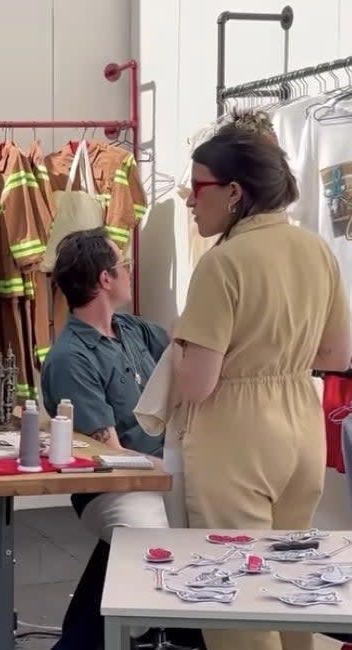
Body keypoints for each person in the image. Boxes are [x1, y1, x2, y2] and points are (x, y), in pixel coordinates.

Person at [174, 129, 352, 650]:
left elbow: (198, 384)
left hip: (236, 437)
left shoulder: (223, 263)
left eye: (196, 186)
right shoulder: (316, 251)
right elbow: (338, 357)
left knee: (235, 598)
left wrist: (180, 342)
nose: (189, 199)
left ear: (233, 192)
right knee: (287, 585)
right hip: (301, 425)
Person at [41, 228, 201, 650]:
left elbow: (184, 341)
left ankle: (83, 640)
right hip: (112, 485)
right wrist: (170, 469)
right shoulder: (71, 357)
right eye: (123, 264)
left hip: (160, 471)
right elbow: (108, 455)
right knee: (156, 545)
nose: (129, 270)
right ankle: (149, 633)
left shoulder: (130, 331)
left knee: (210, 524)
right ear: (104, 280)